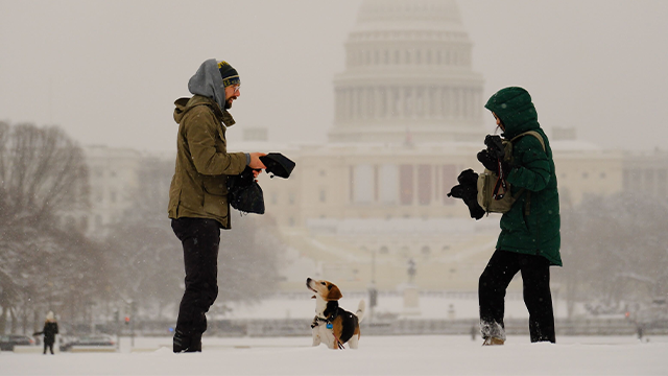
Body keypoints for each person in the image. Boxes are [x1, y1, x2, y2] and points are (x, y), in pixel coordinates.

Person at [168, 59, 266, 353]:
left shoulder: (207, 114)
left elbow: (207, 167)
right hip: (196, 212)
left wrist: (242, 173)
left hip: (201, 211)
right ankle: (186, 347)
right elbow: (207, 163)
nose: (237, 94)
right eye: (234, 86)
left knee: (203, 285)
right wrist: (246, 159)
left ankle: (188, 345)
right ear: (219, 85)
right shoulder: (200, 115)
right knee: (202, 286)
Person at [475, 87, 562, 345]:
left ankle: (544, 346)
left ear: (511, 115)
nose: (497, 123)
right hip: (516, 230)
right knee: (489, 282)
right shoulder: (516, 141)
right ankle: (493, 337)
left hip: (535, 231)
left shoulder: (531, 140)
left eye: (498, 116)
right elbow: (509, 188)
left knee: (535, 295)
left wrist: (505, 167)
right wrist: (478, 188)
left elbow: (538, 179)